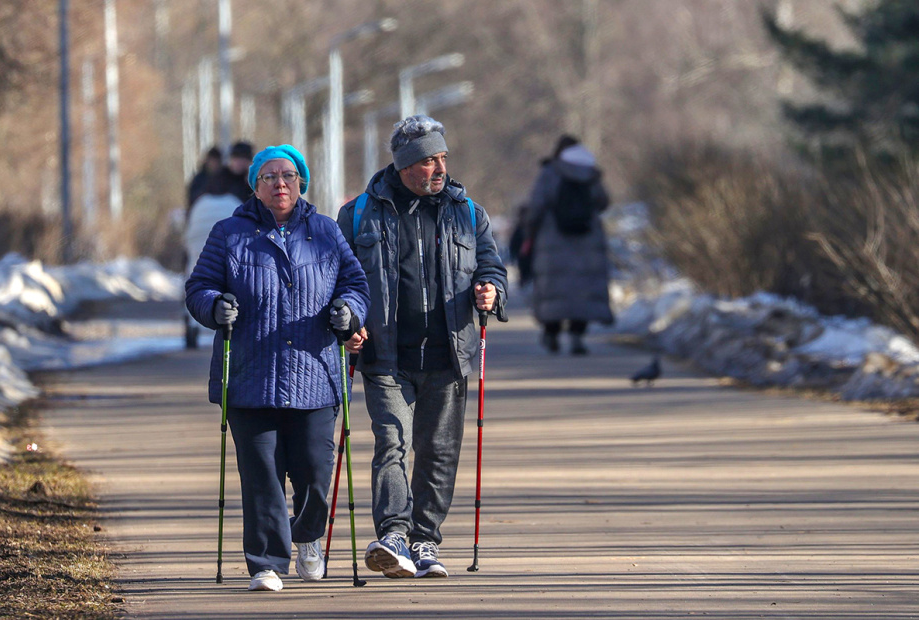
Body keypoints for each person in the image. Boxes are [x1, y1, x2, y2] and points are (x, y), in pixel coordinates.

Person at [186, 144, 369, 592]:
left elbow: (355, 284)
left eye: (288, 175)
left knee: (314, 471)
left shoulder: (325, 231)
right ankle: (266, 562)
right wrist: (215, 307)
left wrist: (349, 311)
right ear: (255, 185)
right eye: (269, 177)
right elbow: (199, 287)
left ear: (301, 181)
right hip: (251, 375)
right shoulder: (229, 232)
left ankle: (308, 537)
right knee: (261, 475)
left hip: (315, 374)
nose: (280, 184)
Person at [336, 115, 508, 580]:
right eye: (429, 160)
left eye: (443, 158)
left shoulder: (468, 212)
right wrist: (346, 322)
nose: (439, 168)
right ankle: (393, 534)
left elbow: (491, 266)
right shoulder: (357, 214)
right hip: (385, 354)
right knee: (392, 442)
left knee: (438, 451)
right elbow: (342, 280)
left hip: (450, 355)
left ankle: (425, 540)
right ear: (405, 164)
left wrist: (490, 289)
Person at [523, 134, 612, 355]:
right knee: (582, 288)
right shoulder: (591, 173)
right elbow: (603, 201)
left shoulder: (550, 172)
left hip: (553, 238)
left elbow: (537, 204)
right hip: (587, 238)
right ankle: (577, 336)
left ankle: (551, 333)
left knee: (554, 289)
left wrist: (529, 231)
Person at [182, 175, 242, 349]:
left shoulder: (199, 205)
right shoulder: (233, 202)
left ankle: (193, 325)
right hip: (226, 251)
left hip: (197, 248)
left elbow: (188, 233)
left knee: (196, 283)